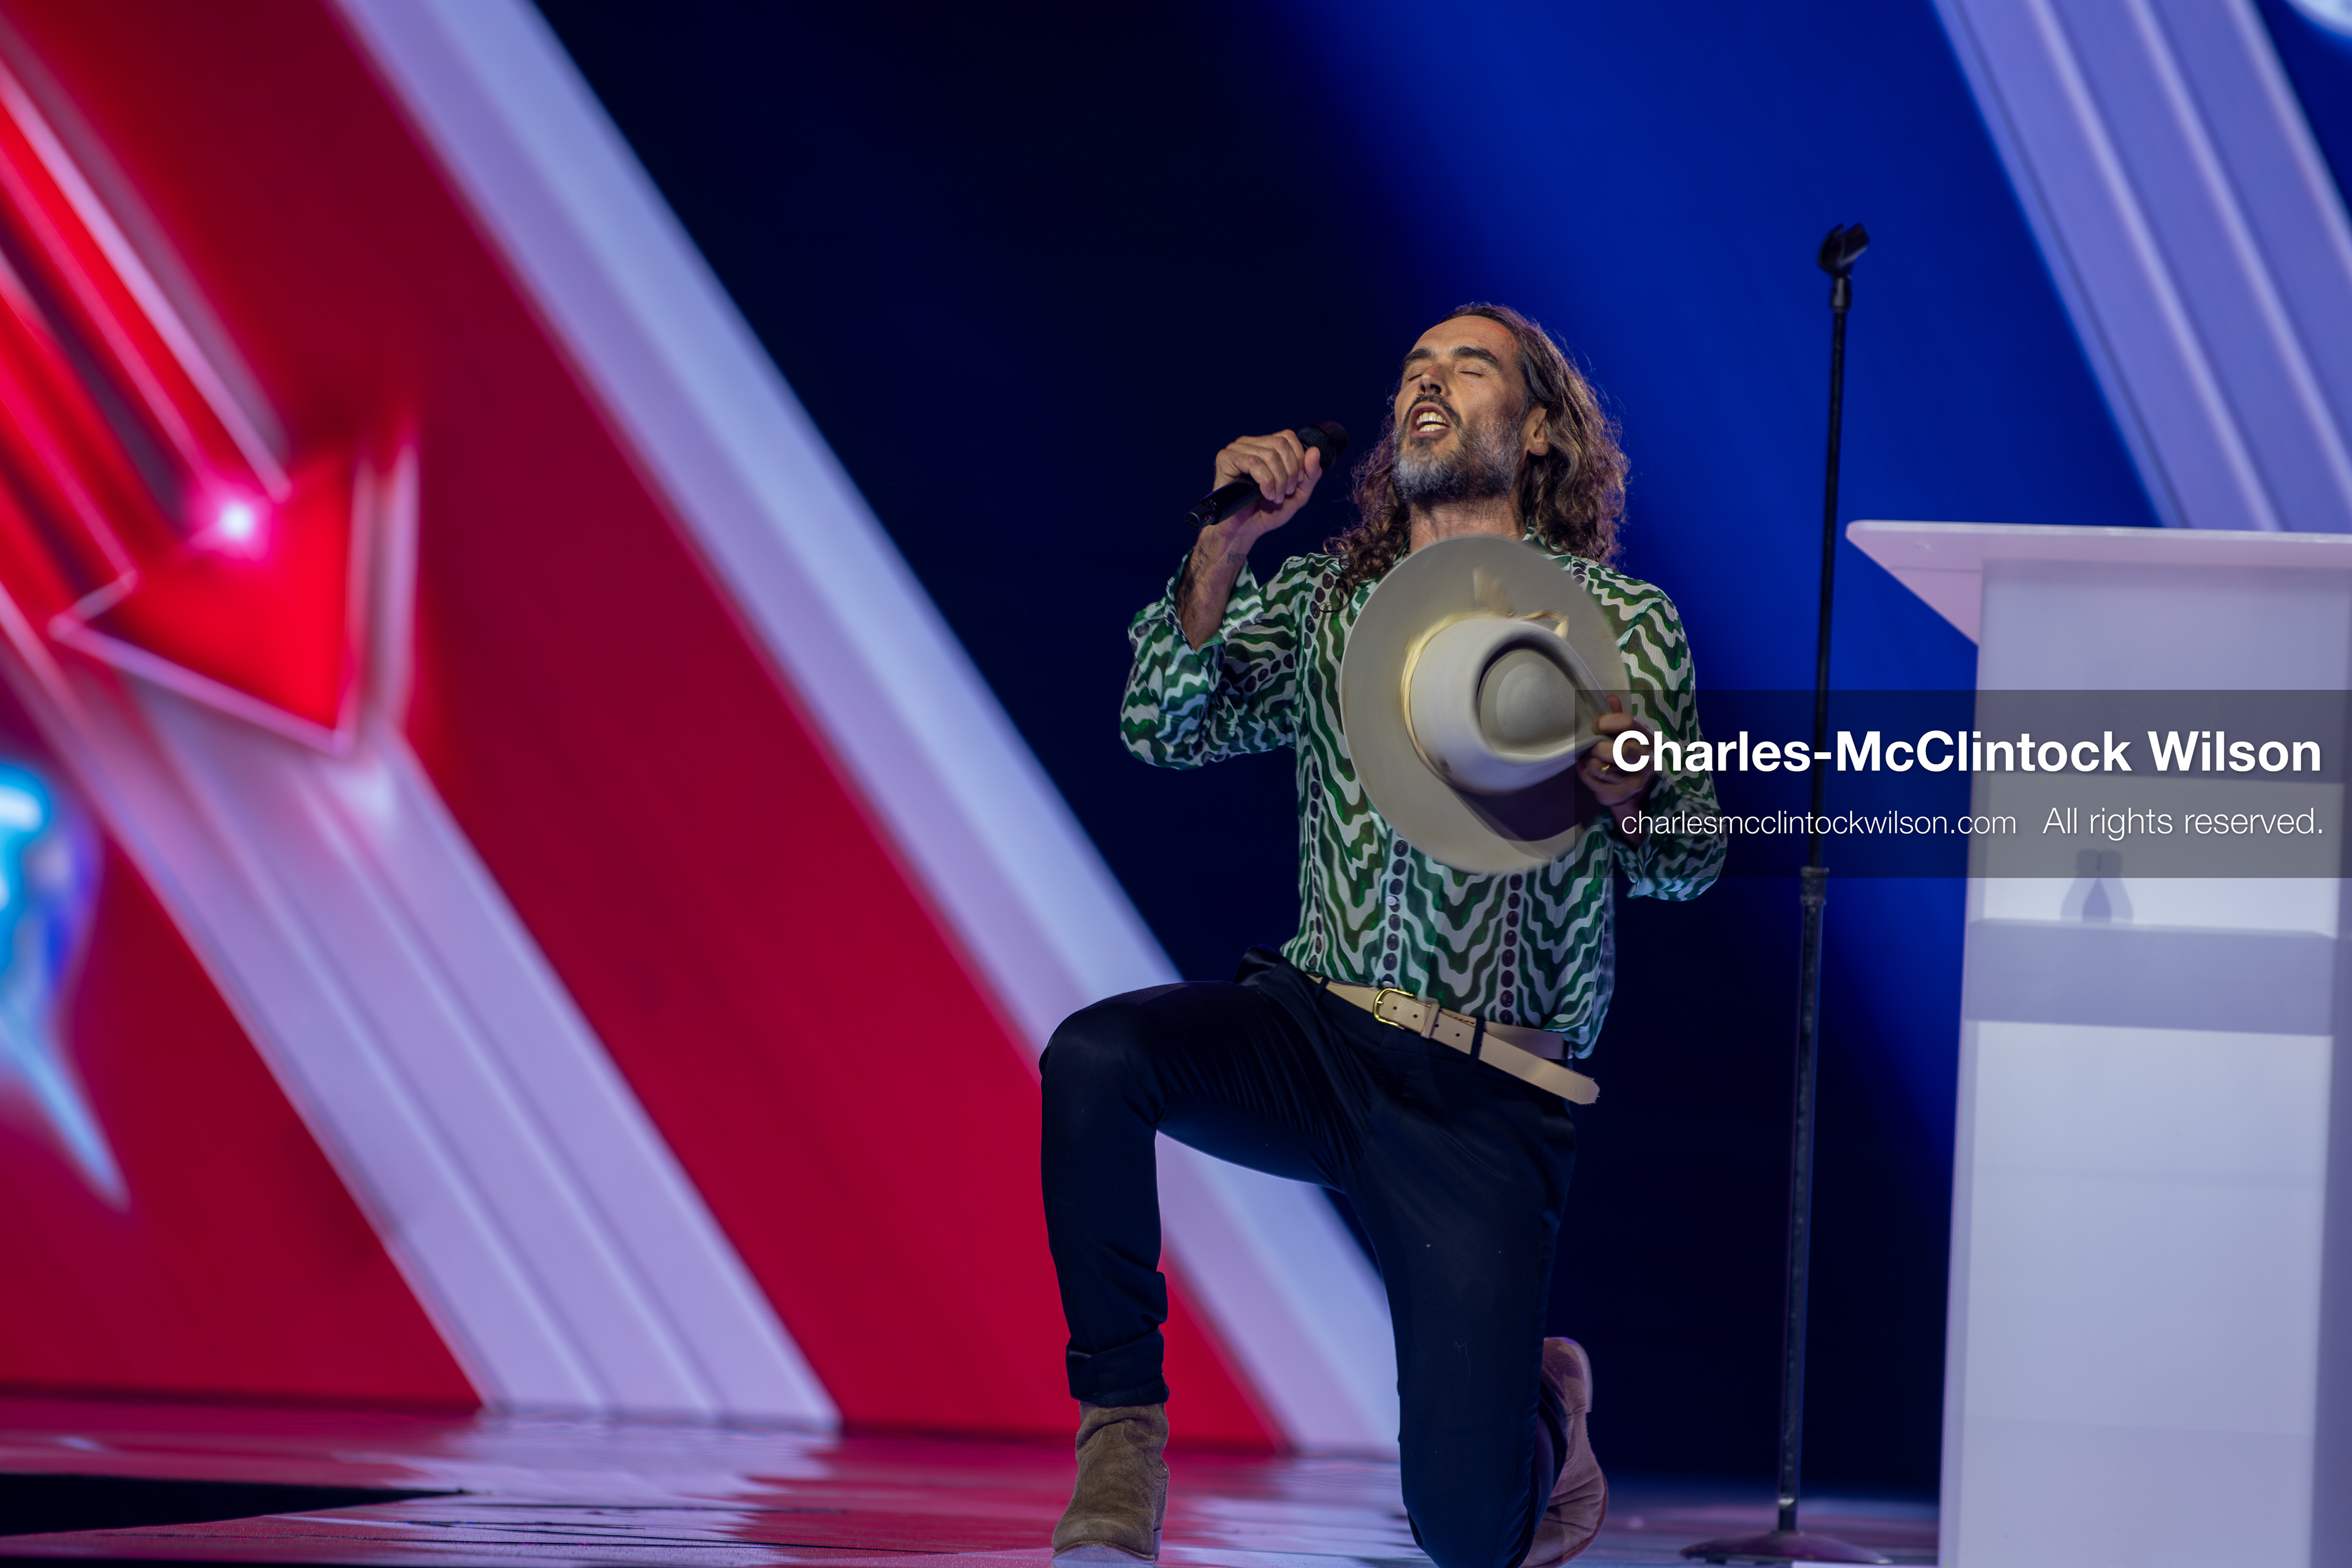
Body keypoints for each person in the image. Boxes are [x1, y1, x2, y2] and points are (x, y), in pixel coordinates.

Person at [1039, 304, 1725, 1568]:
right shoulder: (1327, 601)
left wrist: (1636, 791)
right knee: (1097, 1057)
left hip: (1486, 1092)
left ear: (1539, 434)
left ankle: (1544, 1407)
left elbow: (1689, 864)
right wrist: (1222, 546)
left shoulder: (1620, 625)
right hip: (1319, 1036)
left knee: (1470, 1534)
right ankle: (1121, 1436)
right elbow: (1159, 725)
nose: (1430, 382)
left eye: (1469, 367)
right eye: (1416, 367)